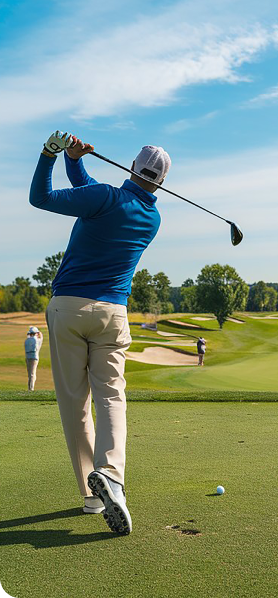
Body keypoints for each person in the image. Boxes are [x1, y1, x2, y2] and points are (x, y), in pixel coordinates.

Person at [30, 131, 171, 534]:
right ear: (160, 182)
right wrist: (74, 163)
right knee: (111, 396)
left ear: (131, 166)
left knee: (76, 404)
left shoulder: (106, 198)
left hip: (69, 307)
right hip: (113, 313)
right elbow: (95, 196)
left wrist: (50, 154)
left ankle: (92, 497)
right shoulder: (151, 217)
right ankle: (111, 475)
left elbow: (41, 198)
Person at [24, 326, 43, 391]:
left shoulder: (27, 340)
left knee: (30, 374)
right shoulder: (36, 340)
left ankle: (30, 387)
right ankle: (31, 389)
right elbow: (41, 338)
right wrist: (39, 333)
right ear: (36, 333)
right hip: (34, 358)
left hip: (27, 358)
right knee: (33, 374)